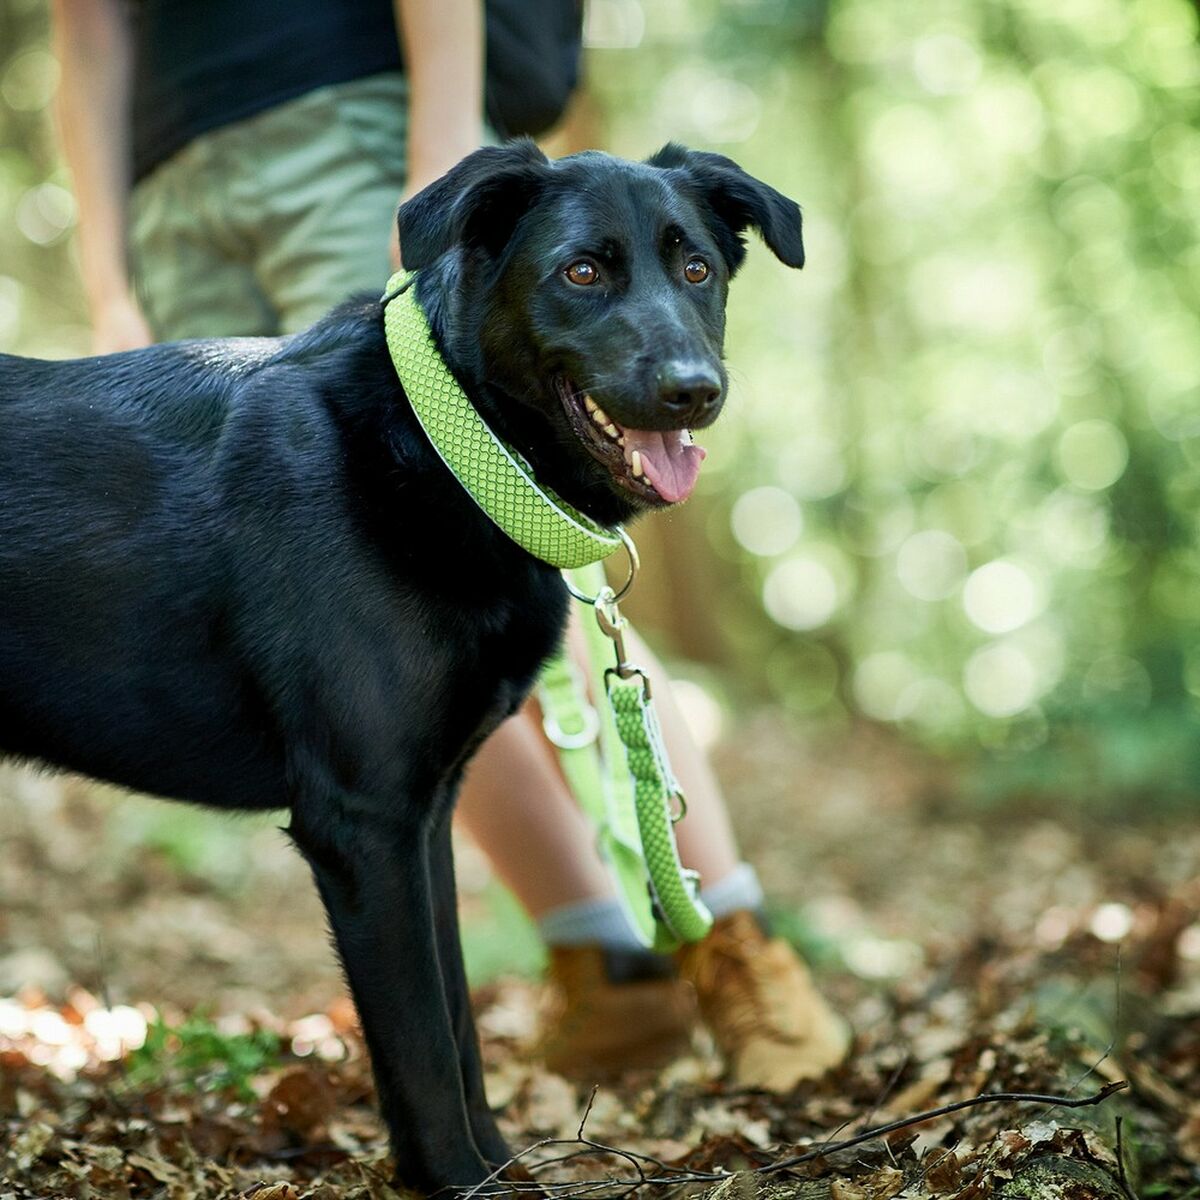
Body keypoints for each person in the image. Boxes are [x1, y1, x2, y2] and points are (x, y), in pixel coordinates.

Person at [51, 0, 849, 1090]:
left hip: (343, 132)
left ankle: (732, 947)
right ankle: (603, 965)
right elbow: (88, 29)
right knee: (381, 644)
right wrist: (108, 280)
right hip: (168, 197)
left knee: (504, 559)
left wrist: (438, 160)